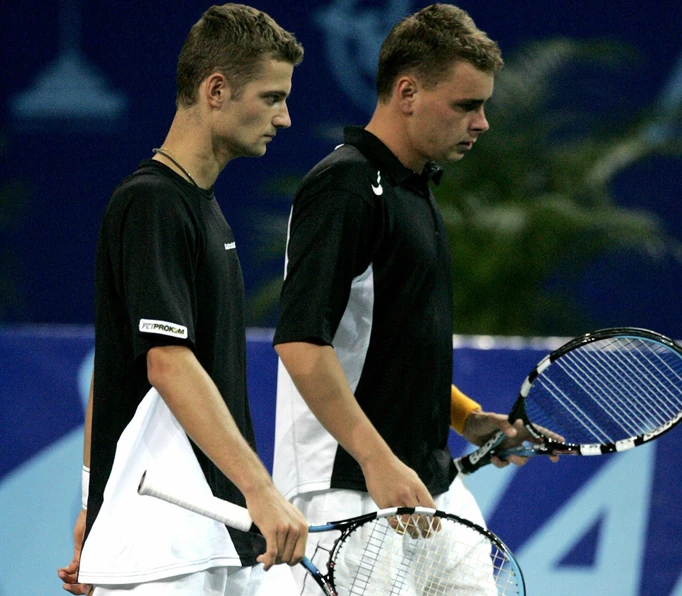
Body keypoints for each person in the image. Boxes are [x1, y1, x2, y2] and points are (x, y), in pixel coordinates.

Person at [272, 4, 556, 593]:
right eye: (466, 105)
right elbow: (301, 344)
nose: (482, 123)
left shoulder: (415, 188)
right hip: (348, 485)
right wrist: (377, 460)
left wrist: (466, 418)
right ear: (407, 93)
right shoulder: (344, 188)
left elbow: (392, 351)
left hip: (430, 484)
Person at [57, 5, 306, 595]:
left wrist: (93, 502)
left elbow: (111, 366)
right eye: (272, 98)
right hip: (163, 546)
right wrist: (262, 489)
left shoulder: (198, 207)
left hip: (208, 534)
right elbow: (166, 363)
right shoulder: (154, 203)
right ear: (215, 90)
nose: (285, 117)